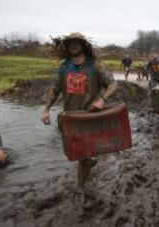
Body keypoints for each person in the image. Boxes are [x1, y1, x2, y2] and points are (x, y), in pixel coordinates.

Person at [42, 32, 117, 189]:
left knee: (82, 155)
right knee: (73, 152)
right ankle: (89, 161)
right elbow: (55, 90)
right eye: (71, 43)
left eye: (77, 42)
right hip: (70, 118)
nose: (74, 45)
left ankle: (80, 188)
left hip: (89, 117)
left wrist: (102, 100)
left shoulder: (95, 66)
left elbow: (112, 85)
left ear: (83, 45)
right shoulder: (64, 67)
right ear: (67, 47)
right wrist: (46, 110)